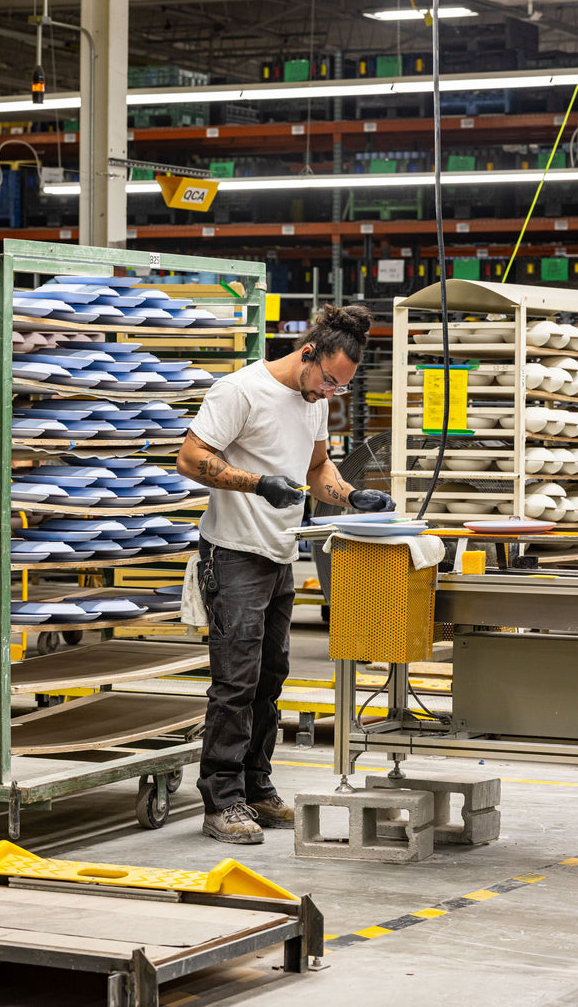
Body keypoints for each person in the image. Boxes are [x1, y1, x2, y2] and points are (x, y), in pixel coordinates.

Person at [175, 304, 395, 844]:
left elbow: (317, 468)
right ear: (308, 353)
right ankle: (221, 801)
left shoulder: (312, 401)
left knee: (270, 679)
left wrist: (351, 496)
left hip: (280, 553)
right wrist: (257, 483)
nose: (329, 393)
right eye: (328, 381)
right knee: (236, 681)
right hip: (234, 553)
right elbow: (190, 457)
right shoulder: (240, 392)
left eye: (340, 387)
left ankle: (255, 786)